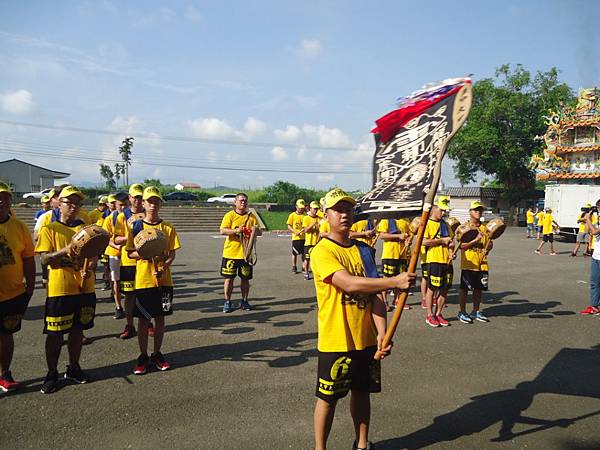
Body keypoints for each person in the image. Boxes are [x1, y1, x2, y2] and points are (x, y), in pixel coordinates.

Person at [311, 188, 415, 450]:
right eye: (338, 209)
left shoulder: (364, 251)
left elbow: (376, 295)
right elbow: (348, 284)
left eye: (348, 209)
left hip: (366, 338)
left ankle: (362, 444)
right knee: (328, 398)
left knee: (362, 393)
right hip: (336, 340)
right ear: (327, 215)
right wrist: (394, 280)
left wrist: (382, 332)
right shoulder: (322, 251)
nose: (344, 215)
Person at [35, 186, 97, 394]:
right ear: (58, 204)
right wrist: (65, 250)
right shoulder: (49, 229)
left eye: (77, 203)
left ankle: (73, 367)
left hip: (84, 287)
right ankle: (51, 372)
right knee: (55, 334)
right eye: (69, 202)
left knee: (78, 330)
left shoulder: (86, 228)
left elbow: (94, 253)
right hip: (60, 289)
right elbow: (44, 259)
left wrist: (90, 268)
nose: (73, 207)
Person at [126, 186, 180, 374]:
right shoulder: (136, 227)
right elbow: (130, 253)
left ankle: (157, 353)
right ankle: (143, 355)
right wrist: (145, 253)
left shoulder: (167, 228)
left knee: (161, 318)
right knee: (143, 320)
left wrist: (164, 267)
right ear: (143, 203)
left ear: (160, 204)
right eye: (149, 201)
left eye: (156, 201)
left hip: (164, 282)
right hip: (144, 281)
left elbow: (172, 254)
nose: (152, 205)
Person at [0, 182, 35, 392]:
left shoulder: (19, 227)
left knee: (7, 335)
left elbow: (29, 259)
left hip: (13, 293)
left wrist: (30, 288)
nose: (2, 201)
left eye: (6, 197)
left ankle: (5, 373)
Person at [219, 193, 261, 313]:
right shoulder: (230, 215)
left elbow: (259, 233)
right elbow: (222, 230)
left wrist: (254, 231)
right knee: (229, 279)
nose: (243, 202)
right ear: (235, 202)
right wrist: (236, 230)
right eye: (241, 200)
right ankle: (227, 301)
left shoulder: (251, 217)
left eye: (245, 201)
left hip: (246, 254)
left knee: (245, 279)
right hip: (230, 253)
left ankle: (244, 300)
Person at [114, 184, 145, 339]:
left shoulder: (148, 213)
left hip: (146, 261)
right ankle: (130, 325)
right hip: (128, 261)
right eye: (135, 197)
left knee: (145, 294)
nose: (137, 200)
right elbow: (115, 239)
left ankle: (147, 323)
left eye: (140, 197)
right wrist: (129, 237)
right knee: (130, 295)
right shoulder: (122, 216)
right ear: (129, 198)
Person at [457, 201, 491, 324]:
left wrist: (488, 247)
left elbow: (489, 244)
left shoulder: (485, 228)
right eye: (476, 210)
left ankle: (475, 311)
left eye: (480, 210)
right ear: (470, 212)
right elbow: (462, 246)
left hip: (482, 263)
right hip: (469, 263)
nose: (478, 212)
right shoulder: (464, 227)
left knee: (478, 288)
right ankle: (462, 311)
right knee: (464, 289)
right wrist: (475, 240)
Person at [422, 202, 454, 327]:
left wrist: (451, 252)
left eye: (445, 210)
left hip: (447, 261)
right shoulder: (426, 223)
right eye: (441, 210)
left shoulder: (445, 224)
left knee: (445, 289)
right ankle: (430, 315)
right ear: (433, 210)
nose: (444, 213)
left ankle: (439, 314)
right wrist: (441, 240)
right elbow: (424, 242)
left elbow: (451, 242)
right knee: (432, 288)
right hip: (433, 260)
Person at [377, 218, 411, 311]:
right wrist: (398, 236)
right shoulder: (386, 220)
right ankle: (384, 301)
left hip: (402, 254)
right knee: (387, 279)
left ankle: (397, 300)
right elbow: (382, 235)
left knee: (400, 278)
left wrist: (408, 240)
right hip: (389, 254)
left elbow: (409, 234)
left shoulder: (406, 220)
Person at [102, 193, 127, 319]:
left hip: (129, 254)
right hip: (115, 253)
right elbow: (106, 237)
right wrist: (116, 246)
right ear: (115, 205)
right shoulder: (110, 219)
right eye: (120, 205)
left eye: (125, 205)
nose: (123, 207)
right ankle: (118, 306)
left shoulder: (131, 217)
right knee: (115, 280)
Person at [581, 201, 600, 315]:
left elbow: (594, 232)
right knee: (594, 282)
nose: (598, 210)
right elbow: (589, 231)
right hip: (596, 255)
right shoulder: (598, 220)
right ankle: (594, 306)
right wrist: (589, 219)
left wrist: (588, 218)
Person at [302, 201, 321, 280]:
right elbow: (305, 230)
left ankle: (318, 273)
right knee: (307, 259)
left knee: (318, 259)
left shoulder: (319, 219)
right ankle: (306, 272)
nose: (315, 210)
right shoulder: (306, 218)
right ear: (310, 209)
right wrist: (312, 225)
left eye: (317, 209)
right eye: (314, 209)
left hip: (317, 242)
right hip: (309, 242)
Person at [287, 199, 306, 273]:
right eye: (300, 207)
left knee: (304, 253)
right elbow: (289, 226)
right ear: (296, 206)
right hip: (296, 238)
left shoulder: (305, 216)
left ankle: (304, 267)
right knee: (294, 253)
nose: (301, 209)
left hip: (304, 237)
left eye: (302, 207)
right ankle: (294, 266)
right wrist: (295, 231)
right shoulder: (292, 215)